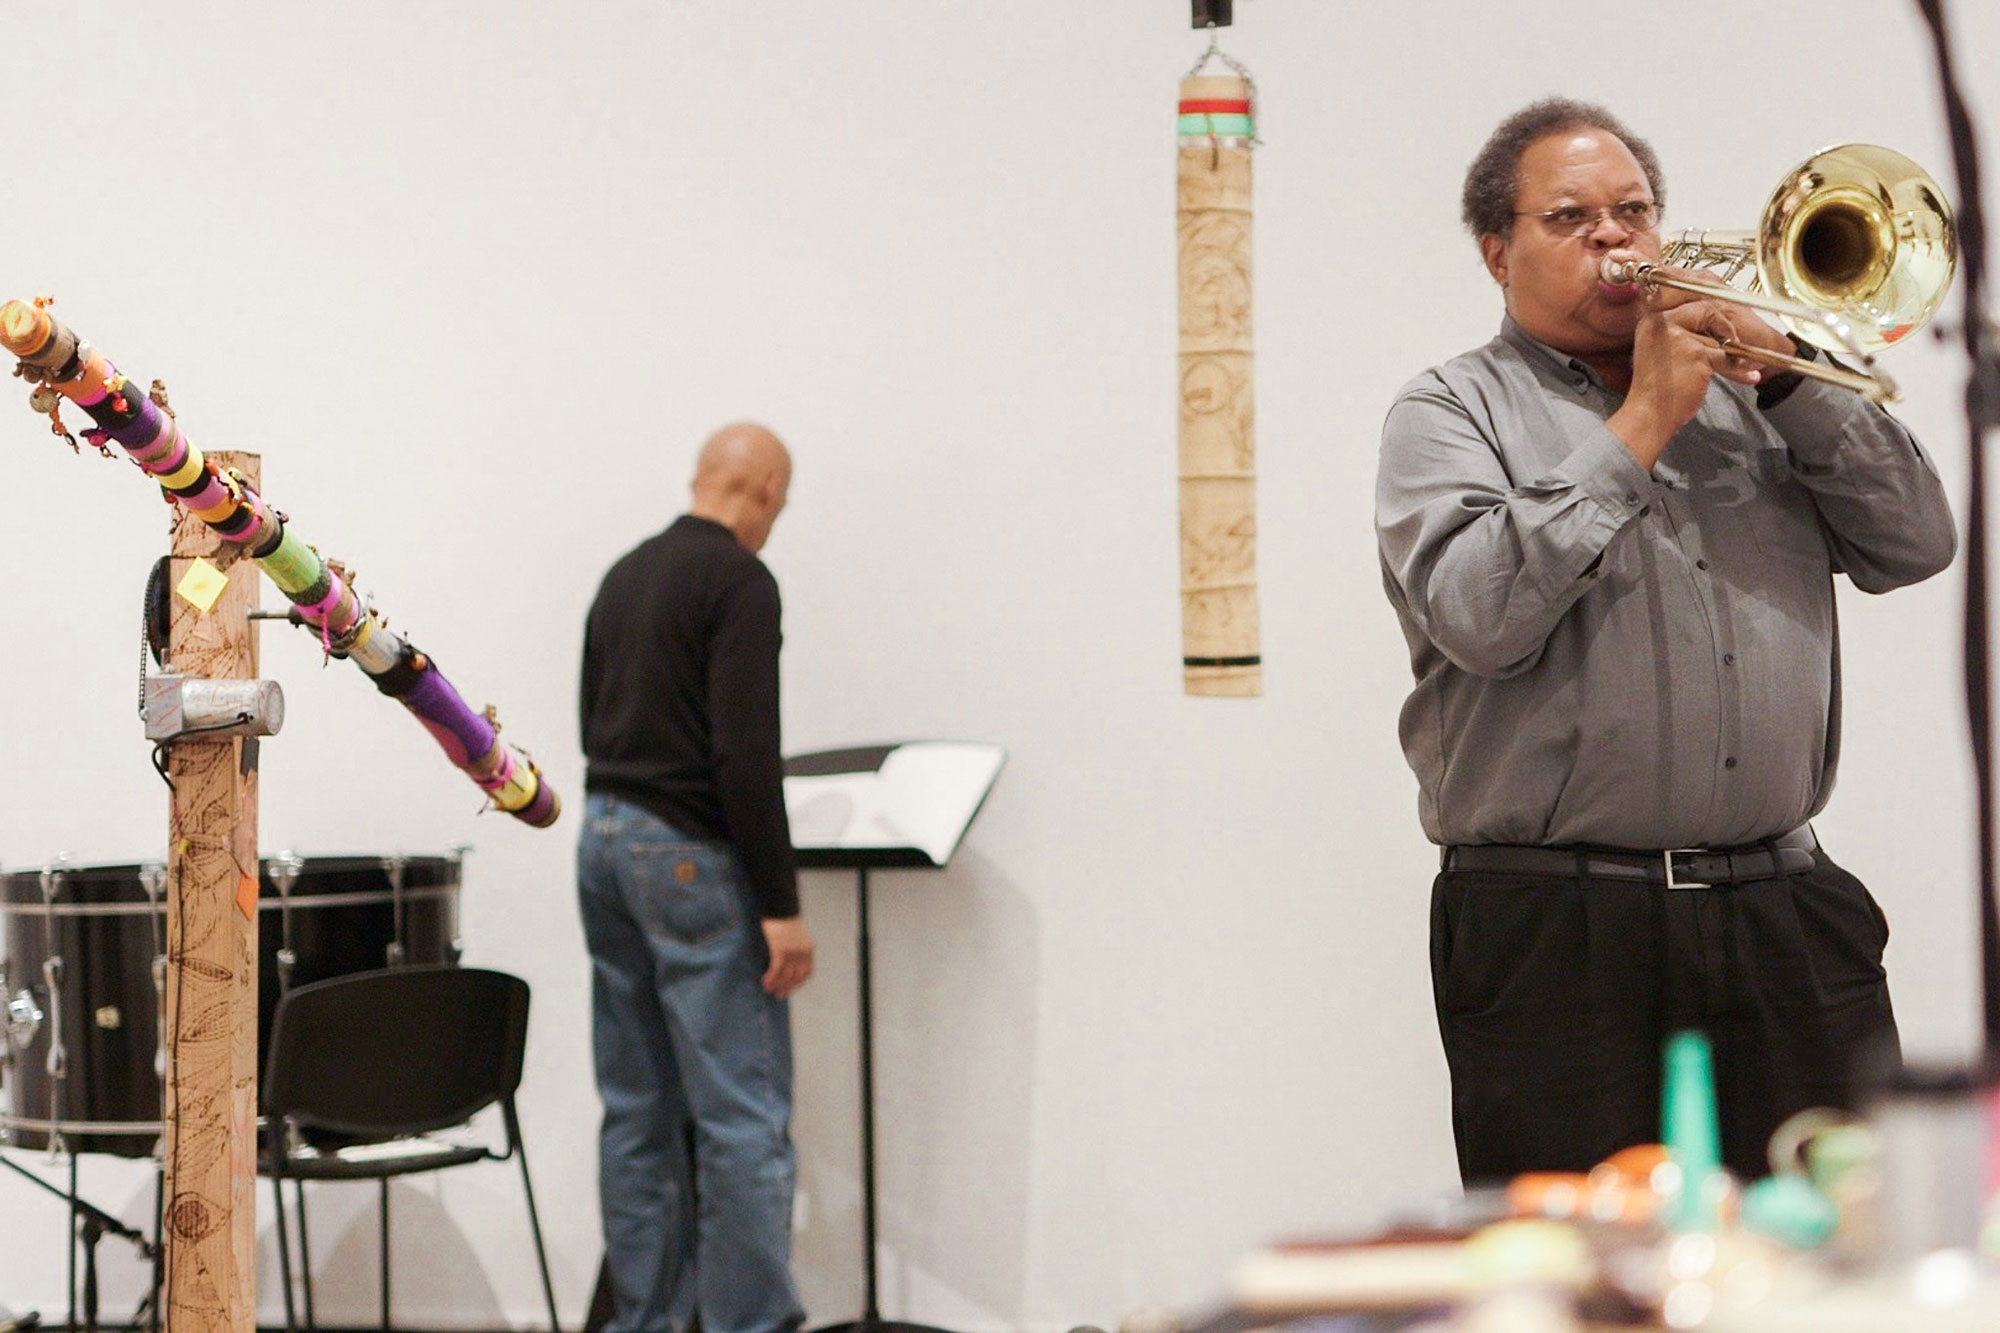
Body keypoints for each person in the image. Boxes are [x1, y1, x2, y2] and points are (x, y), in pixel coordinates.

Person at [1374, 98, 1957, 1185]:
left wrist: (1790, 376)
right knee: (1584, 1251)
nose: (1612, 235)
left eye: (1633, 210)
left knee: (1831, 1232)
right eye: (1569, 218)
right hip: (1559, 927)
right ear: (1496, 253)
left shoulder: (1762, 397)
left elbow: (1917, 543)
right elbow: (1478, 617)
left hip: (1783, 906)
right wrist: (1642, 419)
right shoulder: (1449, 412)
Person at [578, 421, 815, 1333]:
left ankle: (647, 1320)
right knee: (741, 1116)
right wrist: (781, 906)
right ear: (765, 490)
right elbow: (745, 754)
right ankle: (749, 1324)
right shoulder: (741, 581)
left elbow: (592, 719)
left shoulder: (624, 574)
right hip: (684, 855)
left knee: (635, 1110)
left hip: (603, 839)